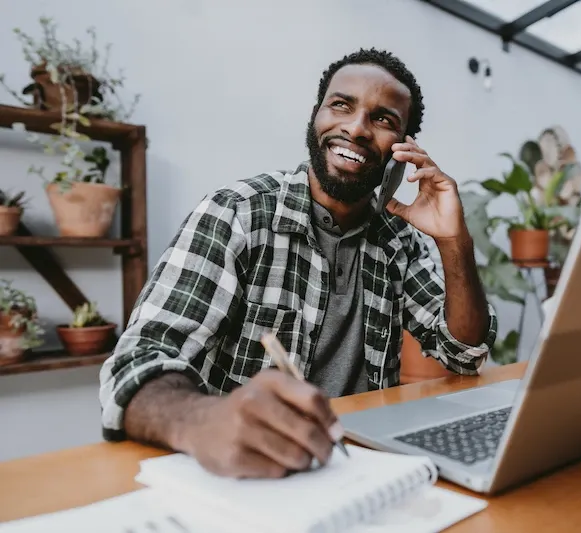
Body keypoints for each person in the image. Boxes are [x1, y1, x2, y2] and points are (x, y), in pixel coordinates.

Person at [98, 48, 498, 479]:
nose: (356, 128)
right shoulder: (238, 213)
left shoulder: (396, 240)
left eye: (383, 119)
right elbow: (136, 363)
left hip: (358, 467)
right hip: (250, 474)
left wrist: (454, 241)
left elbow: (462, 352)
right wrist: (201, 419)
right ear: (316, 115)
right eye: (341, 105)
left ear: (403, 148)